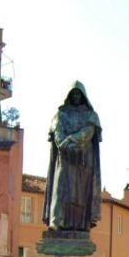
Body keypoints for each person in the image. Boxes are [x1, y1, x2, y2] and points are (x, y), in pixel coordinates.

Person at [43, 82, 102, 232]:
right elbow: (57, 132)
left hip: (82, 159)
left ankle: (79, 224)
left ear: (83, 96)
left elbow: (88, 132)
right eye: (73, 94)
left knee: (80, 193)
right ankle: (56, 221)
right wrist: (63, 143)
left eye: (79, 94)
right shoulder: (61, 114)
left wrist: (70, 140)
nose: (76, 97)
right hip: (64, 157)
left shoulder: (91, 116)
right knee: (60, 188)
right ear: (69, 96)